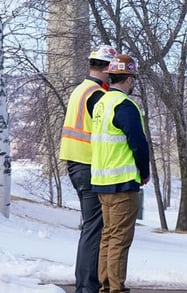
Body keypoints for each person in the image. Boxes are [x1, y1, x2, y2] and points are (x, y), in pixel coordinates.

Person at [59, 44, 117, 293]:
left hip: (76, 163)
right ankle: (87, 286)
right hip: (88, 165)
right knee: (94, 229)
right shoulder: (96, 95)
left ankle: (86, 284)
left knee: (91, 227)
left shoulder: (80, 90)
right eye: (112, 69)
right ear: (105, 68)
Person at [90, 54, 150, 293]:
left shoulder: (100, 104)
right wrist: (144, 172)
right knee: (119, 240)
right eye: (132, 78)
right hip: (122, 184)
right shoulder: (124, 105)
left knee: (107, 237)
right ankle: (115, 288)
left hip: (102, 182)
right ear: (128, 78)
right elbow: (138, 142)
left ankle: (105, 286)